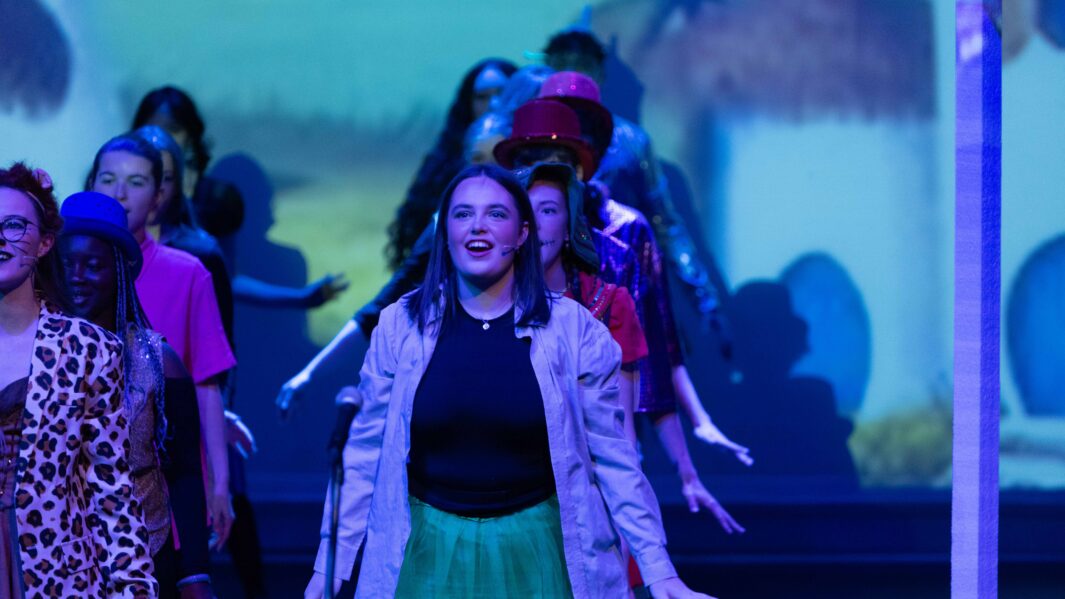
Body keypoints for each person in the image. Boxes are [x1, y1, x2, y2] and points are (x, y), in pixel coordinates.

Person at [304, 165, 712, 599]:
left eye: (496, 214)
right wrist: (329, 569)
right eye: (463, 214)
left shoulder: (574, 331)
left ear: (521, 234)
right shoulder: (400, 327)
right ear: (445, 233)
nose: (477, 226)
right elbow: (363, 455)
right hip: (426, 556)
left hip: (537, 552)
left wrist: (659, 569)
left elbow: (615, 460)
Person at [530, 73, 754, 463]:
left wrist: (693, 431)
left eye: (567, 152)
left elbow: (653, 341)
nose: (555, 164)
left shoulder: (623, 235)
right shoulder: (503, 230)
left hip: (603, 427)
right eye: (542, 151)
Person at [0, 163, 156, 597]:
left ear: (46, 242)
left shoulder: (88, 349)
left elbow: (111, 489)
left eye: (14, 226)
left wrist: (133, 588)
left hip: (56, 573)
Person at [57, 191, 214, 598]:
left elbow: (183, 472)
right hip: (52, 558)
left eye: (92, 265)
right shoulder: (32, 355)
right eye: (66, 265)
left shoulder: (158, 361)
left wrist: (194, 571)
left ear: (120, 271)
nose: (76, 277)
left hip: (141, 554)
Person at [86, 134, 238, 551]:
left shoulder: (188, 274)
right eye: (108, 179)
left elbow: (207, 387)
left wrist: (219, 485)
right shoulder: (66, 272)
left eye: (136, 182)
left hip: (163, 484)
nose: (119, 193)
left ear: (158, 198)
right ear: (91, 185)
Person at [543, 30, 726, 321]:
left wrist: (702, 296)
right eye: (562, 62)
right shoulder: (528, 137)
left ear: (600, 74)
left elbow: (664, 222)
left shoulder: (631, 142)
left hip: (616, 277)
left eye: (582, 63)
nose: (572, 72)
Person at [131, 85, 349, 308]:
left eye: (173, 128)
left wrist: (299, 298)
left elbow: (227, 278)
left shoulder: (216, 201)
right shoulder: (121, 192)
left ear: (190, 134)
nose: (160, 137)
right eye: (152, 126)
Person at [386, 59, 517, 269]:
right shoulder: (442, 172)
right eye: (482, 97)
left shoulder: (532, 162)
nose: (493, 103)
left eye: (501, 93)